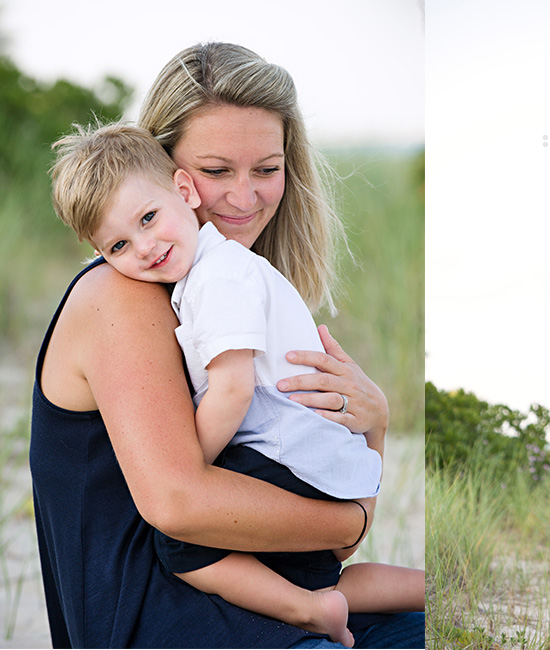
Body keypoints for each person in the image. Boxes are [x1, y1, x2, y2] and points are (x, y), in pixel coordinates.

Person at [31, 42, 424, 649]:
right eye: (217, 172)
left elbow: (329, 539)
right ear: (170, 174)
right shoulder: (120, 294)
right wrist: (356, 513)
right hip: (170, 622)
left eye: (267, 170)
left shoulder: (228, 289)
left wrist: (373, 424)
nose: (245, 199)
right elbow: (181, 502)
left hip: (256, 602)